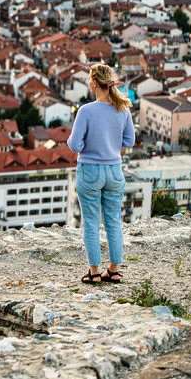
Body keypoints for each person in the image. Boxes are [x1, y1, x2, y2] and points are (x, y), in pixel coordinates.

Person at [67, 63, 135, 284]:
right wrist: (110, 144)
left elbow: (75, 144)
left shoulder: (86, 111)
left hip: (90, 170)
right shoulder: (123, 109)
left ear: (94, 83)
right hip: (114, 170)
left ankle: (94, 271)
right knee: (114, 220)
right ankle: (114, 269)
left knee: (91, 221)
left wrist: (90, 142)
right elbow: (130, 141)